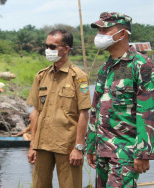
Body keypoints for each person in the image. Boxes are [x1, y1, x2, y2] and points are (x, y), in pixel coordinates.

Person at [86, 12, 154, 187]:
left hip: (125, 152)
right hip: (102, 149)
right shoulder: (106, 67)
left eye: (105, 30)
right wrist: (91, 146)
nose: (100, 35)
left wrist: (144, 153)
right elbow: (95, 109)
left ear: (122, 34)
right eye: (99, 31)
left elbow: (147, 111)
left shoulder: (141, 64)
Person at [26, 28, 91, 188]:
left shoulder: (78, 76)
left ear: (66, 49)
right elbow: (35, 113)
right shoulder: (41, 76)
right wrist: (32, 144)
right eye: (46, 46)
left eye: (53, 47)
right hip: (42, 145)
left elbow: (84, 114)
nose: (48, 50)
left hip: (67, 146)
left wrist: (79, 147)